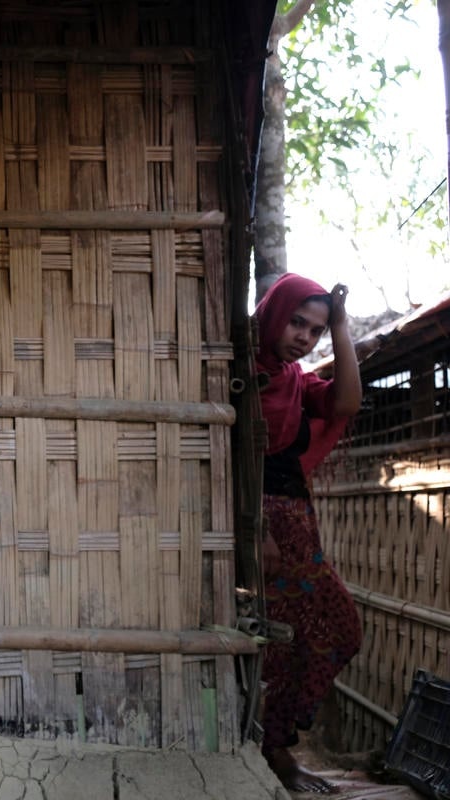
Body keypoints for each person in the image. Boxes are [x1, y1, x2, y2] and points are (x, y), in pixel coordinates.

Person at [253, 272, 362, 794]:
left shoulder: (293, 379)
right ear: (274, 313)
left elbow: (346, 404)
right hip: (264, 531)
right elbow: (228, 455)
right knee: (277, 645)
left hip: (298, 528)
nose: (304, 337)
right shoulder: (238, 373)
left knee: (337, 631)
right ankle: (273, 752)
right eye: (297, 322)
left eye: (315, 330)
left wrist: (341, 327)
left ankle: (275, 745)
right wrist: (257, 530)